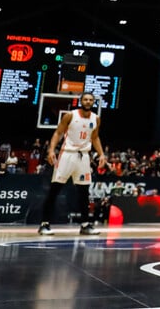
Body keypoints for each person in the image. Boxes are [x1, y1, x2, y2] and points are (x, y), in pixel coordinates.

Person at [38, 92, 106, 235]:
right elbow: (58, 133)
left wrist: (101, 154)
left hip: (84, 156)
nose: (88, 102)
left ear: (93, 102)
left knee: (84, 192)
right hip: (67, 154)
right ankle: (44, 224)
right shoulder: (70, 115)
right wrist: (51, 150)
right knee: (55, 190)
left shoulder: (96, 118)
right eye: (85, 99)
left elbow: (95, 137)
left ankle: (85, 225)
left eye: (90, 100)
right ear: (81, 101)